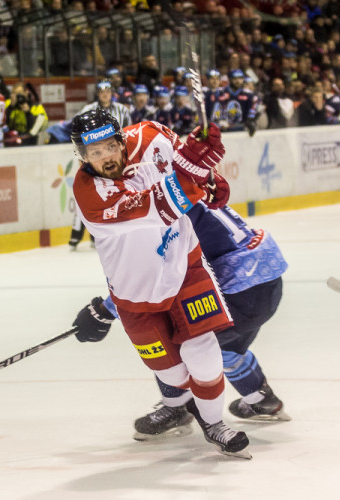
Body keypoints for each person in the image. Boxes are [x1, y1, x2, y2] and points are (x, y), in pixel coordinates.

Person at [68, 108, 249, 458]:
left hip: (184, 265)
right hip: (135, 292)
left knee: (204, 354)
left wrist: (208, 176)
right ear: (82, 156)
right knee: (172, 373)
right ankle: (196, 405)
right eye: (95, 152)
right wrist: (196, 174)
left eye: (109, 146)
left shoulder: (151, 136)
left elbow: (185, 163)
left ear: (121, 140)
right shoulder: (90, 194)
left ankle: (216, 425)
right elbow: (161, 205)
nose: (105, 157)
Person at [72, 202, 290, 440]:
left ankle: (177, 407)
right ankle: (261, 399)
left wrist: (105, 310)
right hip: (267, 277)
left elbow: (154, 277)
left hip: (237, 289)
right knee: (227, 347)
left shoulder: (156, 208)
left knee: (170, 333)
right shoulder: (177, 191)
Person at [69, 81, 131, 250]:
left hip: (115, 157)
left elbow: (127, 133)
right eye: (102, 91)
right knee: (90, 196)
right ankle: (79, 235)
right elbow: (78, 138)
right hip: (95, 160)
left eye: (108, 91)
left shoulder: (122, 110)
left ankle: (104, 233)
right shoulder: (86, 110)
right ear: (97, 93)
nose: (105, 94)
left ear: (112, 92)